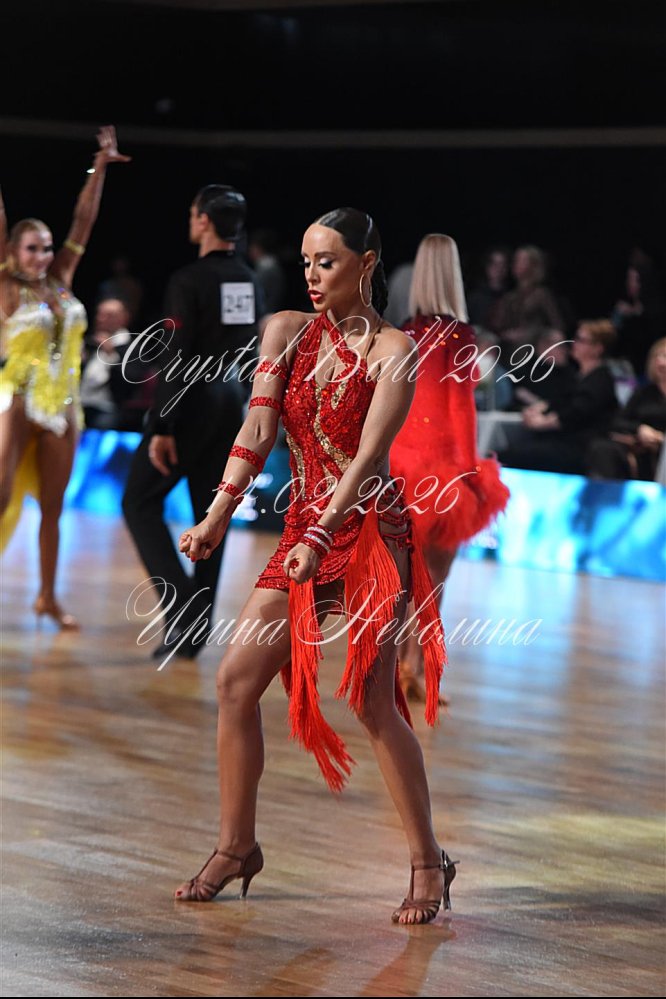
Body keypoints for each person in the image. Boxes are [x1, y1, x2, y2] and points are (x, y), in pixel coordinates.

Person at [172, 207, 458, 925]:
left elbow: (368, 459)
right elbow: (258, 427)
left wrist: (323, 534)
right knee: (235, 681)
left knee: (371, 701)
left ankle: (429, 861)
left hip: (369, 535)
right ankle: (237, 846)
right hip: (304, 528)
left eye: (326, 261)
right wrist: (216, 514)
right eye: (305, 261)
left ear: (367, 263)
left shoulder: (395, 349)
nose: (311, 274)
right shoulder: (285, 330)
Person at [122, 185, 263, 661]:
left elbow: (177, 354)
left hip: (191, 404)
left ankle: (184, 606)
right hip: (230, 404)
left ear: (203, 220)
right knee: (210, 515)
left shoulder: (189, 279)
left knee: (138, 502)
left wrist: (162, 425)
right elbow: (248, 350)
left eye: (191, 214)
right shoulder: (248, 279)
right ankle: (193, 631)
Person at [0, 126, 130, 628]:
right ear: (13, 251)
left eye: (47, 247)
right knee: (1, 496)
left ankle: (47, 597)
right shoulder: (6, 285)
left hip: (63, 405)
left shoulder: (60, 281)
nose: (43, 256)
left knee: (53, 507)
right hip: (16, 397)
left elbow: (83, 221)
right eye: (32, 248)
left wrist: (100, 167)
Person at [389, 234, 511, 702]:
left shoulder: (403, 333)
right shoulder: (459, 335)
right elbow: (462, 409)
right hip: (442, 465)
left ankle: (396, 668)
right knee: (434, 579)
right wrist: (468, 471)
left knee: (400, 578)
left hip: (401, 463)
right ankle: (415, 669)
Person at [497, 319, 618, 474]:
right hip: (561, 440)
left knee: (508, 455)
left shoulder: (600, 380)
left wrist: (541, 423)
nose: (574, 344)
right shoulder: (577, 376)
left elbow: (575, 413)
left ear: (597, 349)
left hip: (581, 447)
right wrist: (536, 411)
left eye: (581, 340)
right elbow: (558, 402)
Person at [587, 337, 666, 481]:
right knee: (602, 448)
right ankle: (605, 493)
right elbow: (619, 421)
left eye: (665, 356)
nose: (660, 362)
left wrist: (660, 438)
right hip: (640, 449)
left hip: (662, 452)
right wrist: (640, 429)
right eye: (657, 356)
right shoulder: (644, 393)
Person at [80, 297, 140, 430]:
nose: (101, 319)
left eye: (109, 315)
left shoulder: (131, 348)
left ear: (124, 318)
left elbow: (130, 382)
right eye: (99, 314)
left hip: (108, 407)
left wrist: (111, 355)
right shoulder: (89, 341)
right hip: (80, 402)